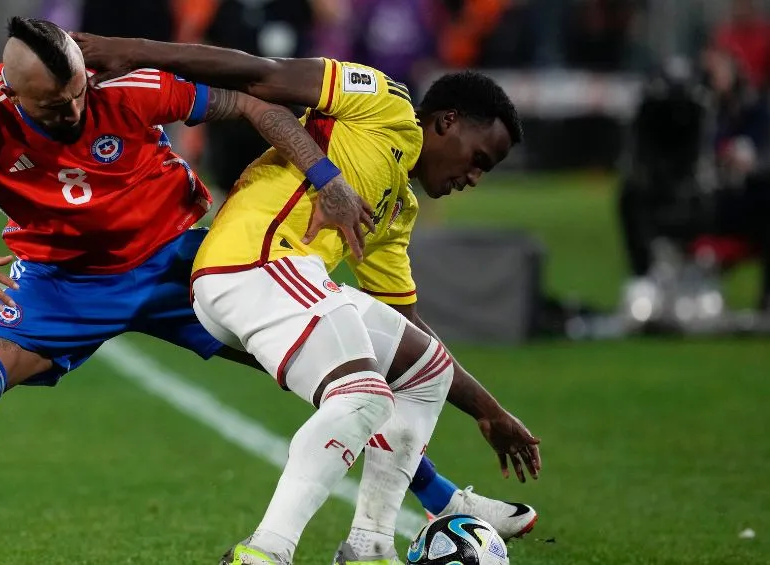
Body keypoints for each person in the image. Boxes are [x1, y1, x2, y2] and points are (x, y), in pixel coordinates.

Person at [0, 17, 373, 565]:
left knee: (334, 370)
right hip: (61, 282)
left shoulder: (120, 83)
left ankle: (422, 507)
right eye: (54, 108)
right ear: (14, 96)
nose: (74, 112)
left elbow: (251, 102)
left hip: (180, 262)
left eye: (77, 95)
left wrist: (326, 178)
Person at [74, 35, 540, 565]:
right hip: (252, 262)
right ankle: (265, 552)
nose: (474, 178)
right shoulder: (384, 103)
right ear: (446, 121)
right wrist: (131, 52)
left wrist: (489, 412)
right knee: (362, 397)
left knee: (424, 370)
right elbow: (259, 73)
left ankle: (371, 547)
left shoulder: (397, 209)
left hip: (283, 279)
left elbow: (406, 328)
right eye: (479, 159)